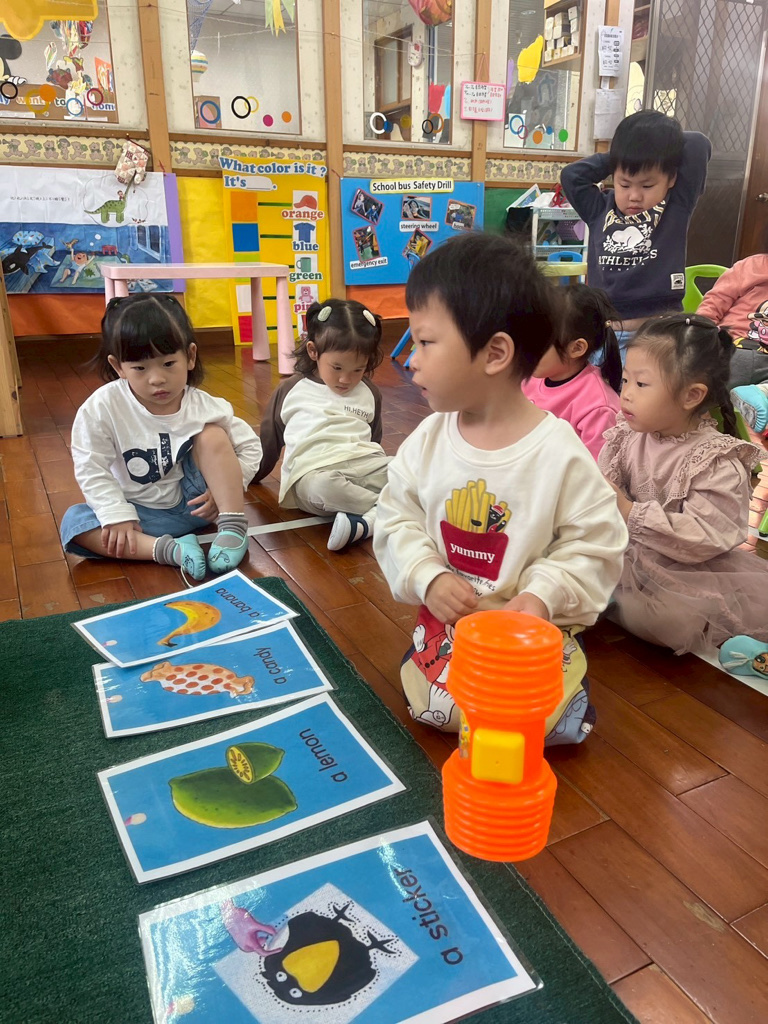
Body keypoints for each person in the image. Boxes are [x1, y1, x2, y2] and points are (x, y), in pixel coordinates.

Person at [373, 233, 628, 744]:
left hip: (527, 634)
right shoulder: (428, 439)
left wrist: (541, 596)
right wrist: (427, 576)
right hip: (451, 626)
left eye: (425, 342)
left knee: (540, 722)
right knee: (436, 711)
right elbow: (395, 516)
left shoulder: (558, 451)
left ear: (494, 353)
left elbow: (597, 543)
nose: (412, 359)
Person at [599, 313, 768, 659]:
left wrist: (629, 511)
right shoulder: (626, 436)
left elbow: (704, 538)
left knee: (670, 621)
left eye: (641, 384)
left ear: (691, 395)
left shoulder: (715, 459)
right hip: (625, 553)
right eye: (625, 380)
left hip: (690, 570)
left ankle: (610, 602)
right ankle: (608, 598)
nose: (626, 394)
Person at [60, 294, 262, 580]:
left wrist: (223, 493)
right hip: (140, 518)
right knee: (75, 524)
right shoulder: (101, 407)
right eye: (140, 368)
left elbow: (250, 446)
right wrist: (116, 515)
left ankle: (233, 528)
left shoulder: (202, 405)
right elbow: (90, 466)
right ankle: (170, 551)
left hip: (197, 508)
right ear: (118, 367)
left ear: (190, 356)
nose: (156, 379)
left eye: (168, 364)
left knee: (213, 435)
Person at [561, 110, 711, 361]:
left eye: (647, 185)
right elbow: (571, 176)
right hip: (605, 333)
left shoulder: (676, 206)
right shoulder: (598, 209)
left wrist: (651, 149)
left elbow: (698, 144)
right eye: (625, 184)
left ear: (671, 178)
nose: (634, 196)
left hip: (658, 335)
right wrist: (621, 156)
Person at [255, 298, 389, 551]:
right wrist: (253, 475)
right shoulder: (292, 389)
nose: (345, 379)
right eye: (337, 367)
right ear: (313, 351)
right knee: (323, 487)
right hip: (313, 474)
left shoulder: (370, 392)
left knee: (408, 471)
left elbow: (374, 438)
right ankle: (392, 510)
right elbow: (269, 440)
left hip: (364, 466)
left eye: (358, 370)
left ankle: (371, 515)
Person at [522, 283, 621, 459]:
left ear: (576, 348)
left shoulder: (598, 408)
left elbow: (595, 470)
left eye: (538, 343)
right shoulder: (530, 378)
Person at [696, 256, 768, 393]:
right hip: (734, 347)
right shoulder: (751, 266)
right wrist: (703, 335)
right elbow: (714, 303)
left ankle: (755, 395)